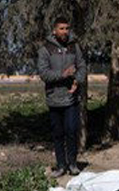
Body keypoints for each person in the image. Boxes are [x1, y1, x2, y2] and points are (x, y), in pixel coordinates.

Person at [37, 18, 86, 177]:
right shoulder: (45, 50)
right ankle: (60, 166)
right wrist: (62, 75)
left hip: (71, 98)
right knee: (58, 133)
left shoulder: (74, 47)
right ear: (54, 30)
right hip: (54, 98)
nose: (65, 32)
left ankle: (72, 164)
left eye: (67, 28)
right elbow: (44, 74)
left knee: (72, 130)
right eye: (62, 28)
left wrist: (77, 81)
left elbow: (82, 66)